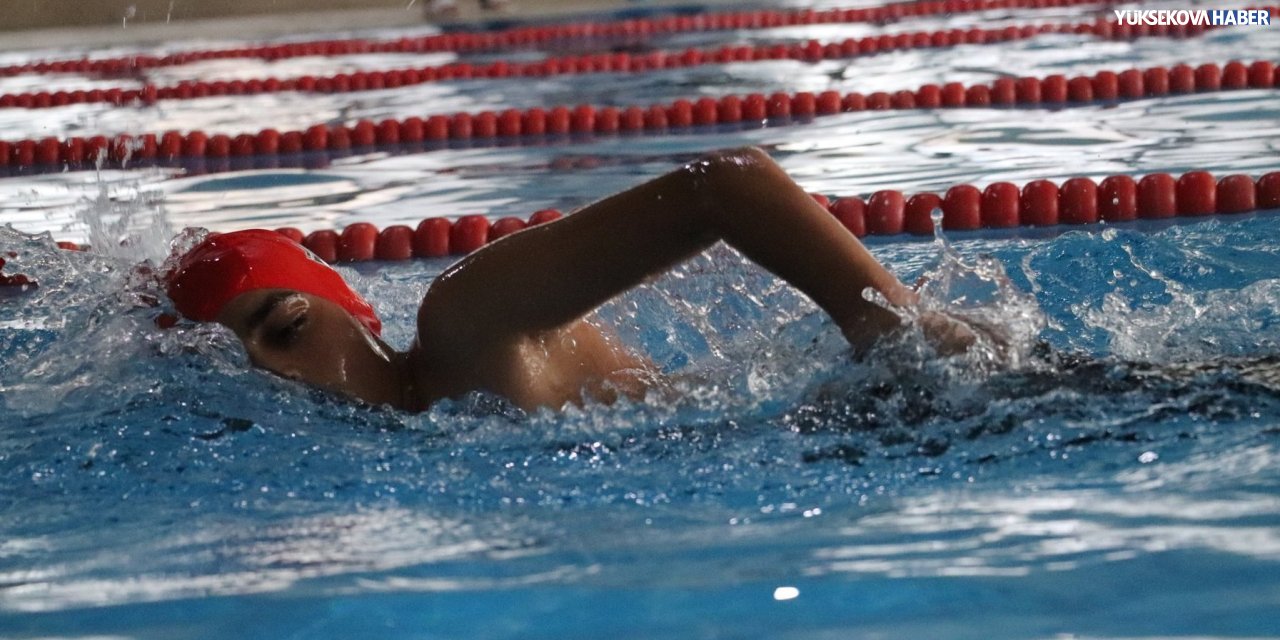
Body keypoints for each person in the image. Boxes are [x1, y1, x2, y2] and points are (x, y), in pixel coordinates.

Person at [166, 146, 978, 412]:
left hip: (878, 411)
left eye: (286, 326)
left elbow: (727, 182)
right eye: (235, 355)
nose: (269, 368)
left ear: (352, 308)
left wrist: (888, 322)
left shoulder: (464, 321)